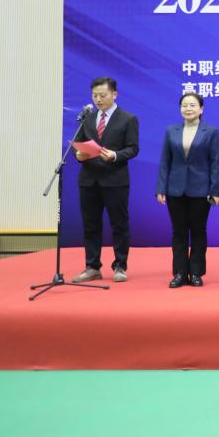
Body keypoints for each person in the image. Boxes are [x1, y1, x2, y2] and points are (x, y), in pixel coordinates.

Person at [71, 77, 140, 284]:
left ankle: (120, 265)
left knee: (119, 224)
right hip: (89, 180)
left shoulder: (128, 119)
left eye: (102, 95)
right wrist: (78, 155)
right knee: (90, 225)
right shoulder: (88, 118)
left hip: (115, 180)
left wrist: (115, 155)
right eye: (95, 96)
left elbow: (133, 149)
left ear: (114, 94)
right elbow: (79, 144)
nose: (98, 99)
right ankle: (92, 267)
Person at [155, 92, 219, 288]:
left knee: (199, 232)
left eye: (193, 105)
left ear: (201, 109)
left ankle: (196, 273)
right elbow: (165, 162)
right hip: (175, 189)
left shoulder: (210, 131)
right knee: (179, 232)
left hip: (201, 190)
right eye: (184, 105)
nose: (188, 108)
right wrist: (161, 188)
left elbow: (215, 163)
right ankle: (180, 273)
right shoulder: (172, 131)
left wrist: (215, 190)